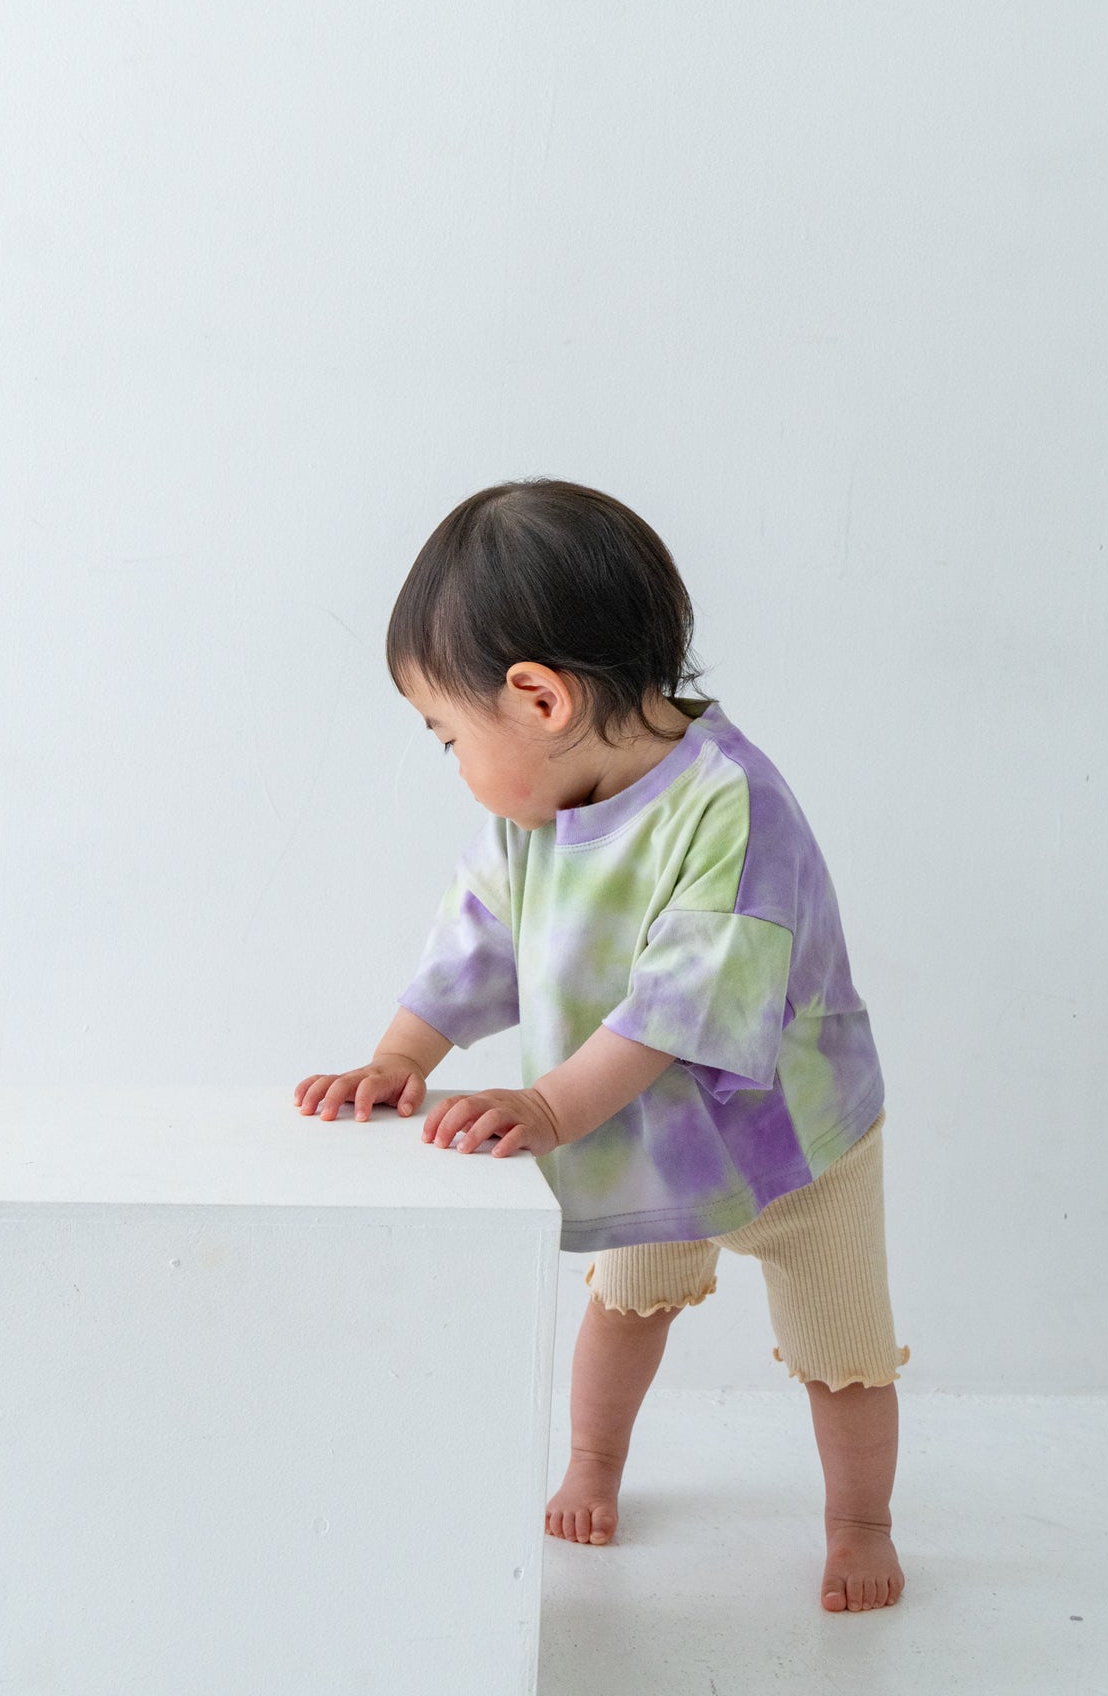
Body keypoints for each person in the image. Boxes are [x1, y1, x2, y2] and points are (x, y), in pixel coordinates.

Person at [293, 477, 910, 1615]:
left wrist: (547, 1109)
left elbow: (686, 1003)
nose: (454, 764)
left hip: (798, 1144)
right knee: (624, 1307)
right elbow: (481, 931)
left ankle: (861, 1522)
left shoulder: (732, 808)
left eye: (448, 736)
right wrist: (401, 1055)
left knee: (843, 1350)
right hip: (649, 1139)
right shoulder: (539, 814)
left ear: (538, 698)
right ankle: (594, 1462)